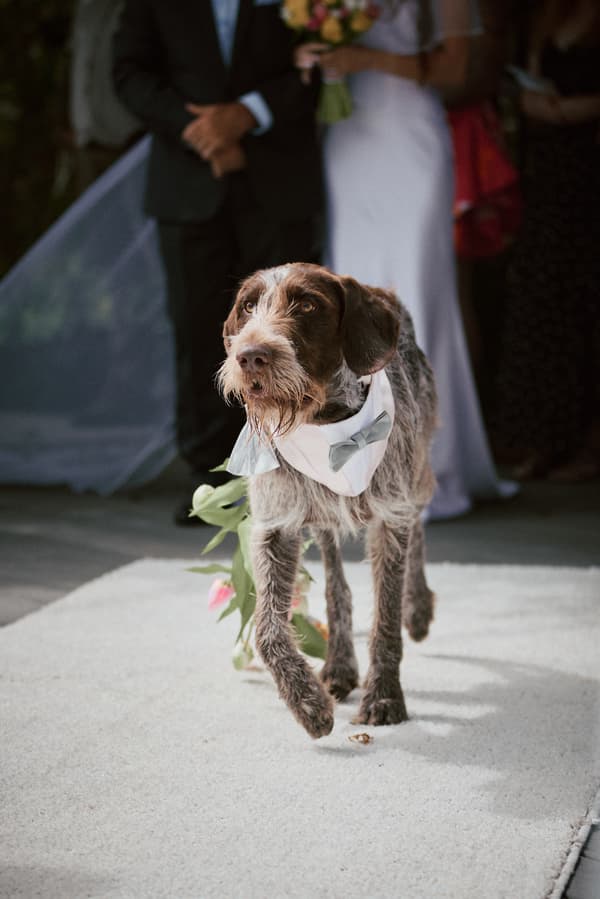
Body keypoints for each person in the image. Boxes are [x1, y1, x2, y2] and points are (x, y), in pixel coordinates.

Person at [296, 0, 515, 520]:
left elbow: (454, 69)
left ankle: (432, 467)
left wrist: (363, 58)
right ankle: (357, 469)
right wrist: (313, 54)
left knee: (418, 302)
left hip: (410, 138)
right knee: (350, 308)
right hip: (349, 140)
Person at [112, 0, 323, 523]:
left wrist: (248, 113)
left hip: (276, 179)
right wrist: (199, 130)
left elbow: (321, 64)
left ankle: (288, 472)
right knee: (198, 326)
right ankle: (211, 479)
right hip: (187, 180)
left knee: (285, 332)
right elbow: (128, 72)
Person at [492, 0, 600, 482]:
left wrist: (562, 110)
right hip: (546, 172)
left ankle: (587, 445)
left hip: (587, 162)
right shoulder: (539, 14)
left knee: (586, 305)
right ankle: (541, 438)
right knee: (540, 302)